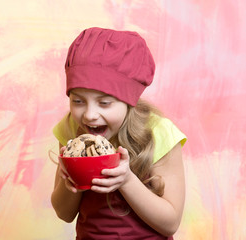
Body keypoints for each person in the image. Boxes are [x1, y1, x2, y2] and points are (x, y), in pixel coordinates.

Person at [51, 27, 187, 240]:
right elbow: (64, 213)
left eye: (104, 103)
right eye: (77, 101)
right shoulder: (70, 130)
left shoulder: (158, 132)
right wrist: (71, 182)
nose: (89, 115)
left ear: (128, 101)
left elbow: (170, 223)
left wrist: (126, 181)